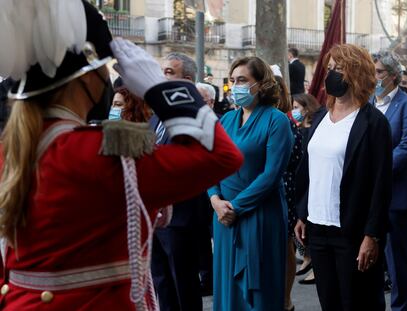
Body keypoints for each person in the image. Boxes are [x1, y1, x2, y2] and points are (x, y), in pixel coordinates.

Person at [0, 2, 243, 310]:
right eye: (103, 67)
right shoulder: (97, 154)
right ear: (87, 78)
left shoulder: (9, 152)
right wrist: (158, 88)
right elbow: (220, 156)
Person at [295, 44, 393, 311]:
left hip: (352, 231)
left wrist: (372, 235)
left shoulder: (373, 123)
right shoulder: (320, 119)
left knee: (357, 303)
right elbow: (310, 170)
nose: (332, 75)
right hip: (318, 229)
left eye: (339, 69)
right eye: (330, 69)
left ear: (356, 72)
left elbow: (381, 185)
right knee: (330, 302)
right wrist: (303, 213)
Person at [208, 56, 293, 310]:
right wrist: (215, 201)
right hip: (223, 217)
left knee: (260, 292)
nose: (236, 86)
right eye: (233, 81)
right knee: (227, 290)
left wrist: (234, 207)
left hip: (260, 215)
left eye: (242, 80)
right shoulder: (226, 120)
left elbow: (271, 174)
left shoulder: (277, 120)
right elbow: (211, 166)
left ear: (261, 84)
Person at [150, 52, 213, 311]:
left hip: (181, 216)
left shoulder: (198, 116)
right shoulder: (155, 114)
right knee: (161, 282)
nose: (160, 77)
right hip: (154, 215)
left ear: (186, 80)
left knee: (183, 284)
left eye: (168, 72)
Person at [371, 51, 407, 311]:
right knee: (371, 256)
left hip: (396, 193)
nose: (374, 77)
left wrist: (377, 171)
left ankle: (399, 307)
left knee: (397, 259)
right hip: (368, 193)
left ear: (394, 76)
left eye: (379, 72)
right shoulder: (367, 103)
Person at [274, 74, 303, 311]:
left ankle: (286, 299)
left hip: (285, 189)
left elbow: (293, 163)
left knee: (286, 246)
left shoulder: (286, 122)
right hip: (277, 188)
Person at [291, 93, 321, 285]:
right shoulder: (297, 128)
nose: (294, 111)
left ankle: (315, 266)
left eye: (297, 107)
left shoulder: (315, 128)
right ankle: (308, 259)